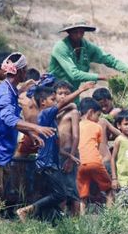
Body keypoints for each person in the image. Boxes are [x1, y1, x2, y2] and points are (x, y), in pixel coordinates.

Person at [0, 53, 55, 222]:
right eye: (26, 70)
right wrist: (36, 127)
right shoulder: (5, 93)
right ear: (20, 72)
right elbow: (9, 119)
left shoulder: (10, 89)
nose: (27, 73)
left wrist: (30, 133)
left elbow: (11, 115)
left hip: (2, 149)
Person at [16, 81, 95, 222]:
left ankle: (48, 221)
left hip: (50, 163)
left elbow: (53, 145)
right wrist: (81, 89)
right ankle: (26, 211)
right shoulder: (45, 114)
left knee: (56, 194)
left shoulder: (50, 119)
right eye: (53, 99)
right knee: (60, 194)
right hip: (47, 164)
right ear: (43, 102)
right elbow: (64, 103)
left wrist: (69, 155)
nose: (56, 101)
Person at [48, 15, 128, 93]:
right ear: (69, 32)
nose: (79, 35)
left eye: (81, 32)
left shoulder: (87, 47)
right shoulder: (61, 47)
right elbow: (74, 74)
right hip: (55, 93)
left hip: (74, 93)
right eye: (75, 32)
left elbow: (111, 60)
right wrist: (103, 76)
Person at [76, 98, 114, 214]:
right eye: (98, 115)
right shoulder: (97, 126)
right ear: (90, 112)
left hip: (80, 163)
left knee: (82, 195)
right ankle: (110, 217)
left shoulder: (76, 125)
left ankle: (80, 221)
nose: (98, 119)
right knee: (109, 189)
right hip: (94, 162)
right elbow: (96, 146)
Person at [54, 81, 81, 214]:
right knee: (60, 188)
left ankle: (76, 223)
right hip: (58, 154)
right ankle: (61, 219)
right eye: (60, 93)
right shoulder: (55, 112)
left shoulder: (74, 112)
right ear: (55, 95)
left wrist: (71, 159)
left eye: (67, 93)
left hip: (70, 153)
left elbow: (76, 136)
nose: (63, 96)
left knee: (71, 189)